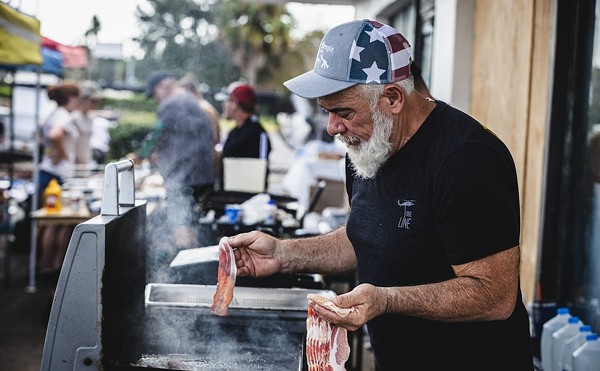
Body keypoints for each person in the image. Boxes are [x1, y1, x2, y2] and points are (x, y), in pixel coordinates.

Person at [227, 19, 533, 370]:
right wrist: (283, 253)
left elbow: (494, 295)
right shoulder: (368, 145)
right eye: (327, 112)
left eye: (343, 112)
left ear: (393, 98)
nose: (332, 128)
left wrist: (385, 300)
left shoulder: (467, 157)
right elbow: (367, 236)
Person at [141, 71, 216, 256]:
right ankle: (194, 262)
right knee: (191, 222)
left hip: (184, 177)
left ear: (163, 86)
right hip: (203, 175)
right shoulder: (190, 100)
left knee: (180, 223)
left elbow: (157, 133)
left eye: (154, 94)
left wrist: (139, 154)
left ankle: (184, 267)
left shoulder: (171, 103)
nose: (156, 99)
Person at [38, 82, 81, 273]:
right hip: (60, 174)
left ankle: (40, 263)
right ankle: (55, 265)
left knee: (45, 220)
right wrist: (62, 153)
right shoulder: (65, 116)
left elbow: (42, 135)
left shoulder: (51, 114)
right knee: (61, 222)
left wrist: (51, 152)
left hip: (46, 170)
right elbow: (55, 135)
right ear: (70, 98)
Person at [216, 81, 271, 190]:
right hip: (228, 197)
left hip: (245, 201)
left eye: (227, 101)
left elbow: (260, 172)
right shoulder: (235, 131)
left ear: (235, 103)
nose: (224, 105)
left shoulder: (257, 133)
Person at [72, 80, 102, 168]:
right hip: (73, 167)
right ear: (83, 99)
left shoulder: (90, 117)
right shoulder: (74, 117)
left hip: (85, 165)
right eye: (93, 101)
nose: (96, 104)